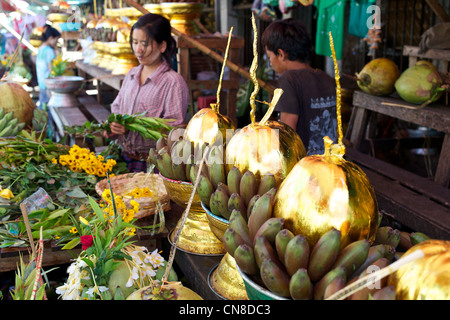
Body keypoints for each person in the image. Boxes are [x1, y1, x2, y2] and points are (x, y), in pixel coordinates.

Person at [108, 13, 189, 172]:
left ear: (162, 46)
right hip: (125, 160)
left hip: (154, 166)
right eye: (135, 42)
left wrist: (132, 128)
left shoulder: (173, 83)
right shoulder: (131, 75)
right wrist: (116, 125)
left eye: (144, 44)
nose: (138, 50)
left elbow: (174, 130)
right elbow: (116, 107)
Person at [261, 19, 338, 155]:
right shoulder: (327, 78)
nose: (271, 63)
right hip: (331, 162)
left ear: (281, 54)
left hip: (305, 166)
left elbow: (288, 133)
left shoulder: (288, 79)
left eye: (269, 57)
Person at [36, 25, 60, 109]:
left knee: (43, 103)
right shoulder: (49, 51)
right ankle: (48, 121)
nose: (56, 42)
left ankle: (40, 121)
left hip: (41, 81)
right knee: (48, 106)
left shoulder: (41, 48)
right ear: (50, 38)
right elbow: (52, 70)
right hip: (48, 84)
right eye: (56, 39)